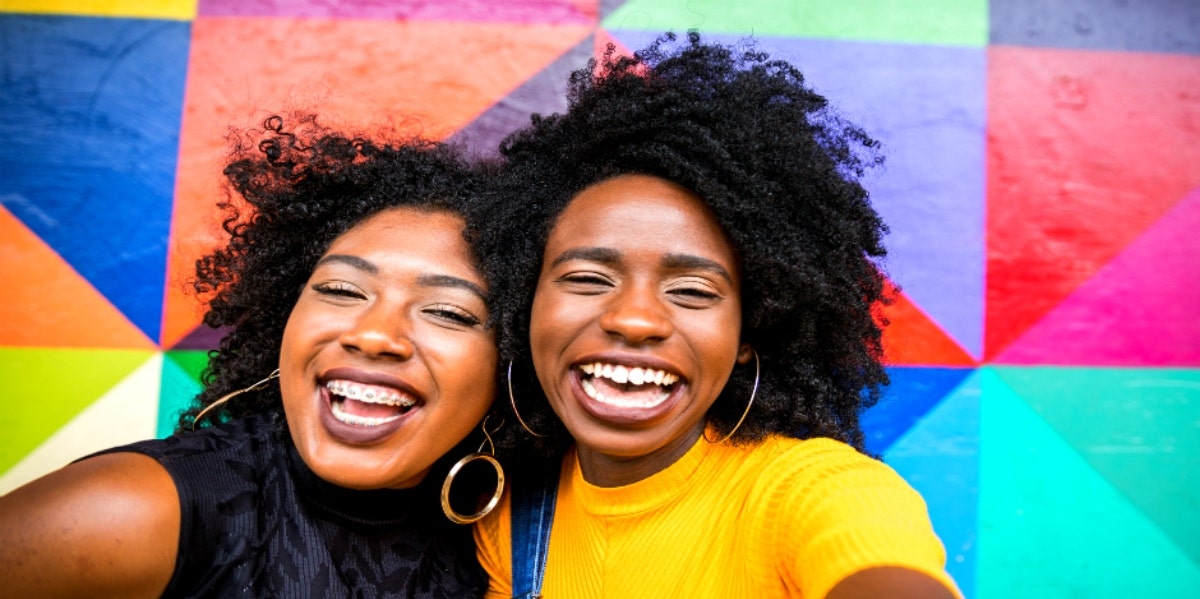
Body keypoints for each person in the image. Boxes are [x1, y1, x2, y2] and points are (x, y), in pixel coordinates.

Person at [471, 33, 962, 598]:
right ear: (523, 303)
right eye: (587, 279)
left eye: (693, 291)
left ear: (749, 331)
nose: (635, 320)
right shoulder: (509, 515)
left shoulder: (811, 491)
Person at [0, 116, 503, 597]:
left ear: (512, 356)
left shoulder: (509, 529)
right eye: (341, 290)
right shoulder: (134, 508)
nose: (373, 335)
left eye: (447, 312)